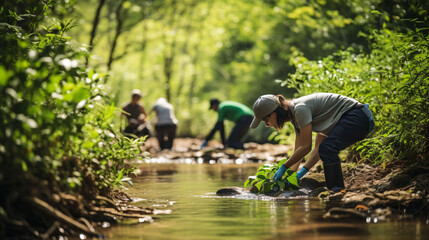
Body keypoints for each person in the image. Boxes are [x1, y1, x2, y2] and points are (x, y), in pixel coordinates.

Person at [250, 93, 374, 192]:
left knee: (328, 147)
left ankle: (337, 190)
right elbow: (304, 150)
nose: (267, 124)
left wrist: (284, 167)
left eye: (266, 120)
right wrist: (294, 175)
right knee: (325, 147)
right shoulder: (295, 116)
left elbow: (306, 147)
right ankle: (336, 190)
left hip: (358, 117)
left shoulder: (300, 109)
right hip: (349, 119)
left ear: (273, 115)